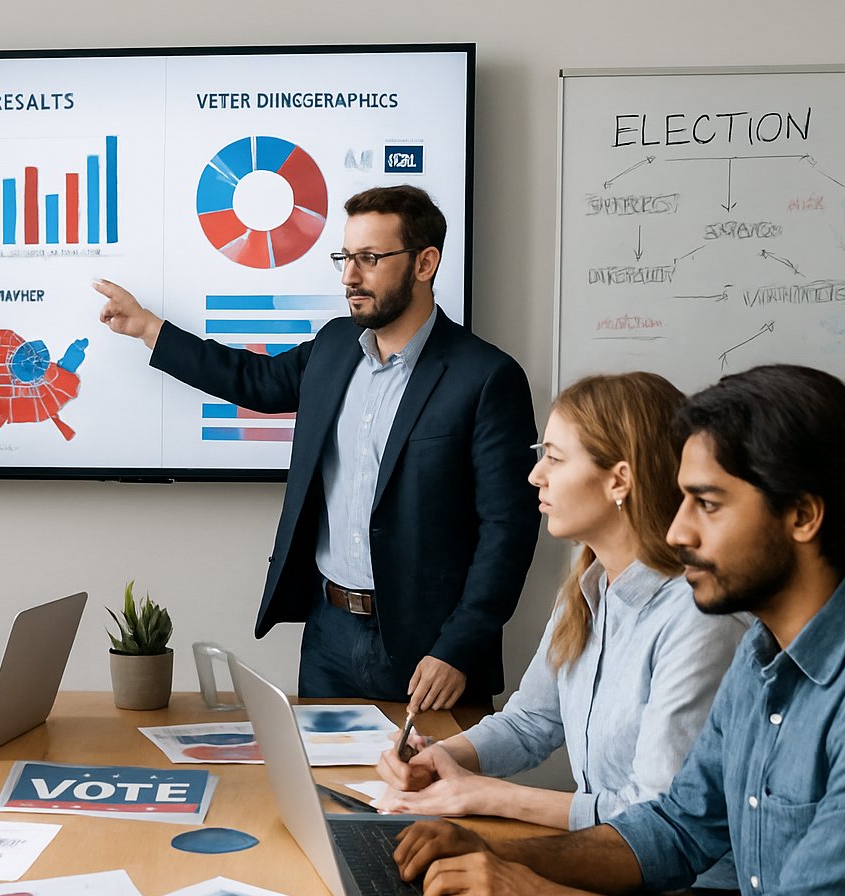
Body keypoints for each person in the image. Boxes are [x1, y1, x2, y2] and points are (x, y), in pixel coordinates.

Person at [392, 364, 845, 896]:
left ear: (801, 516)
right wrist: (498, 860)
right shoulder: (760, 652)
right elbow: (676, 827)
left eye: (707, 504)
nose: (678, 530)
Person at [95, 185, 538, 708]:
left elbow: (508, 531)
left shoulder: (486, 377)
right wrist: (150, 329)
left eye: (370, 259)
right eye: (346, 258)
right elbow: (253, 381)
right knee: (322, 790)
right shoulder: (333, 347)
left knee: (426, 791)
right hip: (329, 637)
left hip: (430, 651)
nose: (350, 276)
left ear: (425, 263)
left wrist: (459, 649)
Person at [375, 374, 746, 870]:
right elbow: (532, 721)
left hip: (689, 895)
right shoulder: (589, 588)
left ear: (619, 479)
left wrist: (482, 796)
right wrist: (443, 759)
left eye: (553, 456)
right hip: (611, 865)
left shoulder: (698, 619)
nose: (535, 475)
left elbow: (656, 818)